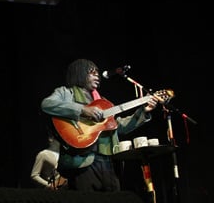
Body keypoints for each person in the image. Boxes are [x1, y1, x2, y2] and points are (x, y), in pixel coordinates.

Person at [40, 58, 158, 192]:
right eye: (92, 72)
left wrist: (143, 111)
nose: (97, 75)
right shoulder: (67, 93)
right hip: (82, 162)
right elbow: (47, 104)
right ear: (79, 73)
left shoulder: (103, 102)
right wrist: (82, 109)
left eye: (97, 72)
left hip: (109, 162)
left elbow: (119, 127)